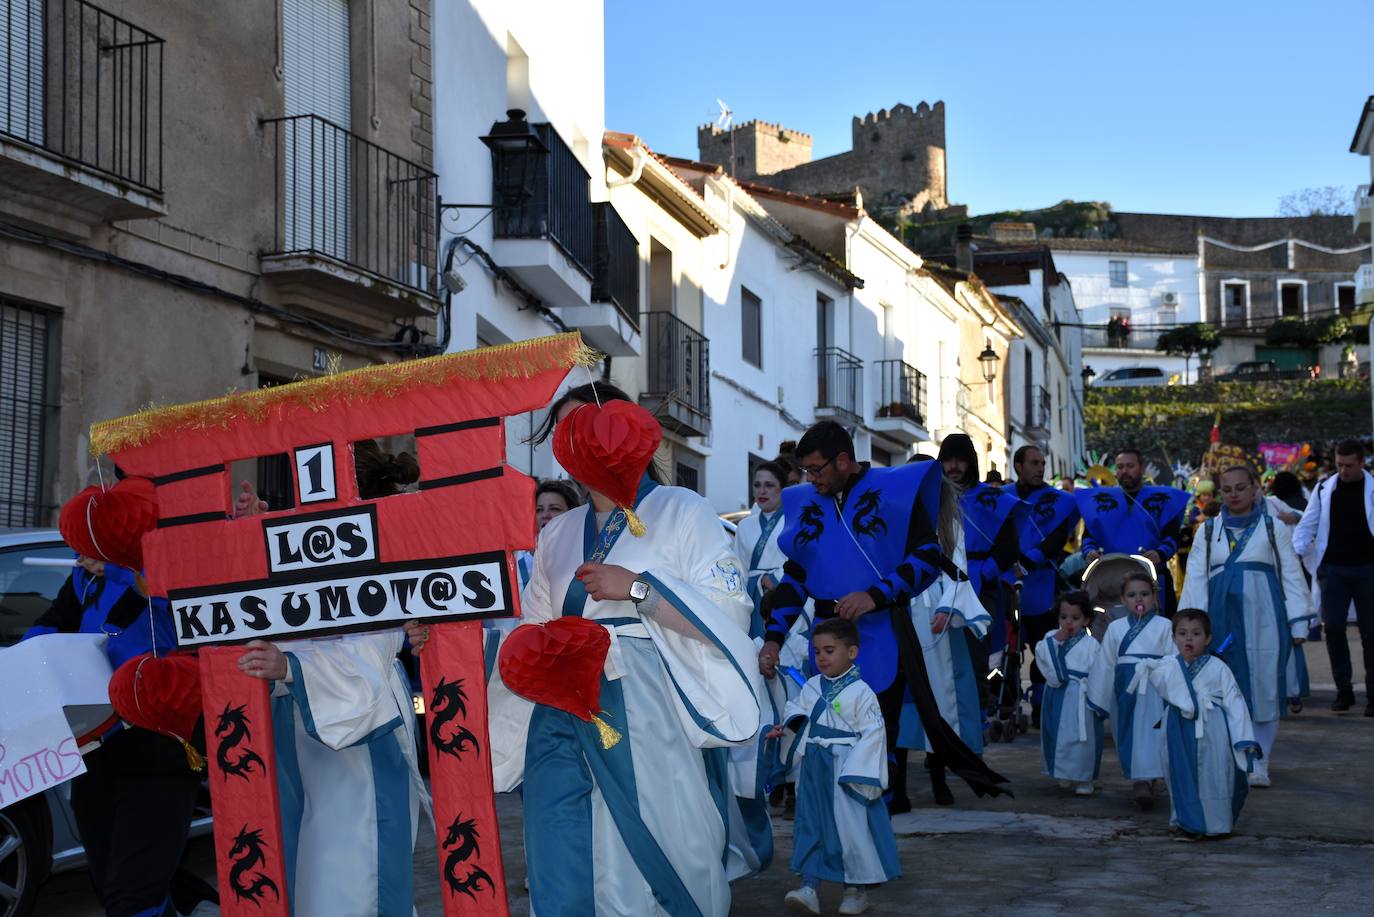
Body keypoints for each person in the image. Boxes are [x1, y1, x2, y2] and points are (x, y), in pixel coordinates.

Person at [418, 382, 760, 915]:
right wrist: (452, 642)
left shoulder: (681, 509)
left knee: (648, 843)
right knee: (560, 837)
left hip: (647, 710)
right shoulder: (559, 532)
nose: (580, 441)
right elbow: (528, 627)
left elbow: (731, 612)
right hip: (559, 711)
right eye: (566, 431)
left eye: (590, 425)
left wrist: (639, 590)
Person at [759, 422, 1008, 817]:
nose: (811, 479)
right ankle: (836, 815)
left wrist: (875, 595)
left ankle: (878, 817)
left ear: (843, 460)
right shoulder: (805, 501)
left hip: (883, 633)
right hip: (826, 638)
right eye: (806, 471)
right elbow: (796, 576)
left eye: (817, 469)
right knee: (829, 730)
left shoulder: (893, 491)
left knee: (879, 732)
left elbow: (928, 558)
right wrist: (773, 636)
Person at [235, 441, 423, 915]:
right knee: (293, 866)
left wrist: (294, 666)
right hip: (293, 715)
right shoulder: (296, 538)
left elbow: (380, 641)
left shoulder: (393, 539)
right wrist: (249, 540)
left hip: (360, 719)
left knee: (352, 876)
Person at [24, 554, 200, 917]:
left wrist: (121, 569)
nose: (82, 553)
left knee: (132, 893)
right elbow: (55, 621)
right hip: (95, 745)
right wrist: (30, 655)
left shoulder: (166, 560)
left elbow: (175, 592)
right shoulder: (83, 579)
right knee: (110, 880)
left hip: (160, 746)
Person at [1180, 465, 1310, 787]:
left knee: (1265, 685)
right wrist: (1190, 630)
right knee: (1227, 687)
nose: (1235, 495)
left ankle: (1260, 758)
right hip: (1221, 620)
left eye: (1241, 488)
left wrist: (1298, 623)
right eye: (1228, 489)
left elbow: (1290, 574)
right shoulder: (1208, 531)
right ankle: (1235, 754)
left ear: (1256, 489)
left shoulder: (1272, 528)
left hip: (1265, 620)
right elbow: (1195, 580)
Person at [771, 618, 898, 916]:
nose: (822, 658)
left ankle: (856, 890)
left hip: (845, 769)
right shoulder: (812, 685)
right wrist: (792, 723)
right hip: (814, 765)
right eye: (817, 652)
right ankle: (809, 886)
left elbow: (874, 733)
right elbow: (796, 709)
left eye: (830, 650)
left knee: (851, 829)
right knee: (810, 823)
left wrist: (857, 771)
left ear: (852, 652)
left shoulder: (863, 692)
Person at [897, 454, 988, 807]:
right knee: (902, 699)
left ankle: (939, 778)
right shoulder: (894, 517)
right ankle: (899, 785)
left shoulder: (949, 520)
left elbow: (960, 567)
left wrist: (950, 606)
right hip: (903, 609)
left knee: (940, 699)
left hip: (937, 612)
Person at [1146, 610, 1259, 839]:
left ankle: (1216, 824)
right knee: (1179, 773)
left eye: (1196, 633)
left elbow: (1235, 702)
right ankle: (1184, 821)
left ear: (1207, 638)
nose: (1189, 639)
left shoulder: (1219, 668)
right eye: (1182, 633)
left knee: (1214, 774)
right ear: (1174, 638)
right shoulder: (1168, 666)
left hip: (1211, 729)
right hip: (1178, 727)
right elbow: (1163, 685)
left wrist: (1242, 737)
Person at [940, 434, 1020, 735]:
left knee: (975, 657)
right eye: (947, 459)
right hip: (938, 584)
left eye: (959, 459)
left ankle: (976, 723)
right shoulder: (932, 496)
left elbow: (1010, 546)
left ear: (971, 462)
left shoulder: (994, 499)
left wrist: (983, 572)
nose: (954, 466)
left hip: (980, 586)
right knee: (940, 656)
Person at [1292, 439, 1374, 715]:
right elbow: (1309, 522)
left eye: (1349, 466)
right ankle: (1344, 691)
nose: (1344, 470)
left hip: (1368, 569)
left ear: (1362, 463)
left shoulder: (1372, 488)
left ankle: (1373, 694)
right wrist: (1296, 551)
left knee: (1371, 632)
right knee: (1334, 629)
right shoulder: (1325, 488)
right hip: (1334, 569)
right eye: (1339, 465)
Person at [1088, 570, 1173, 811]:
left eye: (1145, 594)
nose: (1139, 599)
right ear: (1123, 600)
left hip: (1156, 690)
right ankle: (1140, 778)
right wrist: (1099, 695)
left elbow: (1173, 661)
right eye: (1132, 595)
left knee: (1154, 733)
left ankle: (1147, 781)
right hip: (1125, 692)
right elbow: (1105, 663)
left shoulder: (1165, 626)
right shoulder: (1115, 629)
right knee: (1129, 733)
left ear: (1154, 597)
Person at [1013, 445, 1081, 729]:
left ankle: (1042, 707)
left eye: (1043, 462)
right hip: (1007, 584)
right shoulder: (1002, 497)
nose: (1040, 468)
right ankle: (1007, 702)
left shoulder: (1060, 501)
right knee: (1006, 651)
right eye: (1034, 462)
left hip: (1042, 586)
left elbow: (1056, 540)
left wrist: (1027, 562)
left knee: (1044, 649)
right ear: (1018, 466)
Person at [1077, 448, 1189, 618]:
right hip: (1110, 583)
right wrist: (1089, 552)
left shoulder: (1164, 499)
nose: (1124, 471)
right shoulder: (1099, 501)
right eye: (1120, 467)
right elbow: (1088, 537)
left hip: (1152, 579)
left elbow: (1172, 537)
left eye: (1130, 466)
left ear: (1142, 468)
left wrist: (1160, 553)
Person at [1034, 591, 1105, 797]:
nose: (1068, 623)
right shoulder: (1051, 638)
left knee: (1082, 739)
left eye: (1075, 618)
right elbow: (1043, 656)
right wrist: (1056, 641)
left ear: (1086, 620)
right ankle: (1062, 771)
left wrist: (1097, 699)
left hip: (1081, 696)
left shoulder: (1092, 644)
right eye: (1064, 617)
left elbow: (1100, 673)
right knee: (1058, 736)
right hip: (1057, 694)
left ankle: (1085, 777)